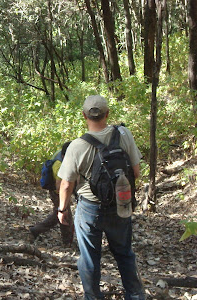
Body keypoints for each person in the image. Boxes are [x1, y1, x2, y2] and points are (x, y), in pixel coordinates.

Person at [57, 95, 145, 299]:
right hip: (120, 206)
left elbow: (66, 183)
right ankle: (135, 295)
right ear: (107, 114)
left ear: (84, 116)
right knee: (124, 254)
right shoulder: (124, 134)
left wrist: (62, 209)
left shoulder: (77, 146)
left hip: (89, 208)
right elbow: (137, 171)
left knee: (89, 258)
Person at [29, 142, 74, 245]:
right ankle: (67, 242)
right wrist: (65, 198)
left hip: (58, 191)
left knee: (59, 215)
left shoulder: (61, 155)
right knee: (63, 216)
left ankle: (36, 230)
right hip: (57, 192)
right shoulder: (59, 165)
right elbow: (59, 187)